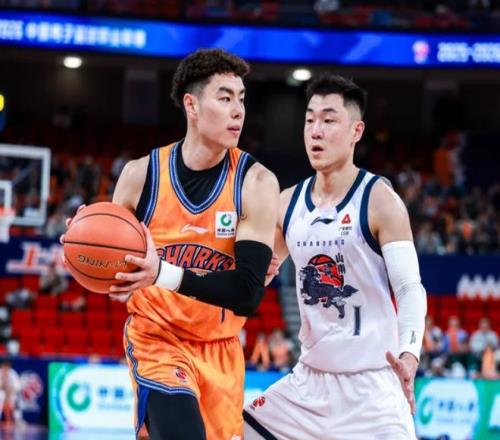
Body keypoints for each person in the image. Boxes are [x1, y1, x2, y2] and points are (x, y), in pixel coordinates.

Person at [82, 49, 279, 440]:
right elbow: (110, 270)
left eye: (241, 99)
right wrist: (87, 241)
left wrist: (161, 273)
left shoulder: (255, 183)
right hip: (157, 339)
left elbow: (247, 295)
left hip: (221, 349)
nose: (238, 111)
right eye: (225, 98)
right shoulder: (140, 176)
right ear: (192, 105)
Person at [243, 74, 427, 439]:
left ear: (356, 131)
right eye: (309, 120)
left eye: (328, 120)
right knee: (237, 429)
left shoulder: (380, 201)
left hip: (372, 390)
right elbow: (252, 276)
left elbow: (409, 288)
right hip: (308, 387)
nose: (316, 131)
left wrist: (409, 354)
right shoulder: (287, 203)